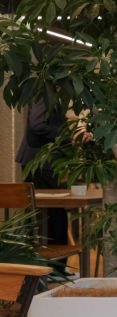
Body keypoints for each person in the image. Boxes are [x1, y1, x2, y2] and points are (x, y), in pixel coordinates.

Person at [16, 99, 69, 246]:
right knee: (50, 216)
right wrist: (65, 133)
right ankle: (53, 267)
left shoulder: (51, 94)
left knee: (43, 215)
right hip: (40, 162)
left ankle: (48, 265)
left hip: (41, 161)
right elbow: (37, 124)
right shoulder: (46, 93)